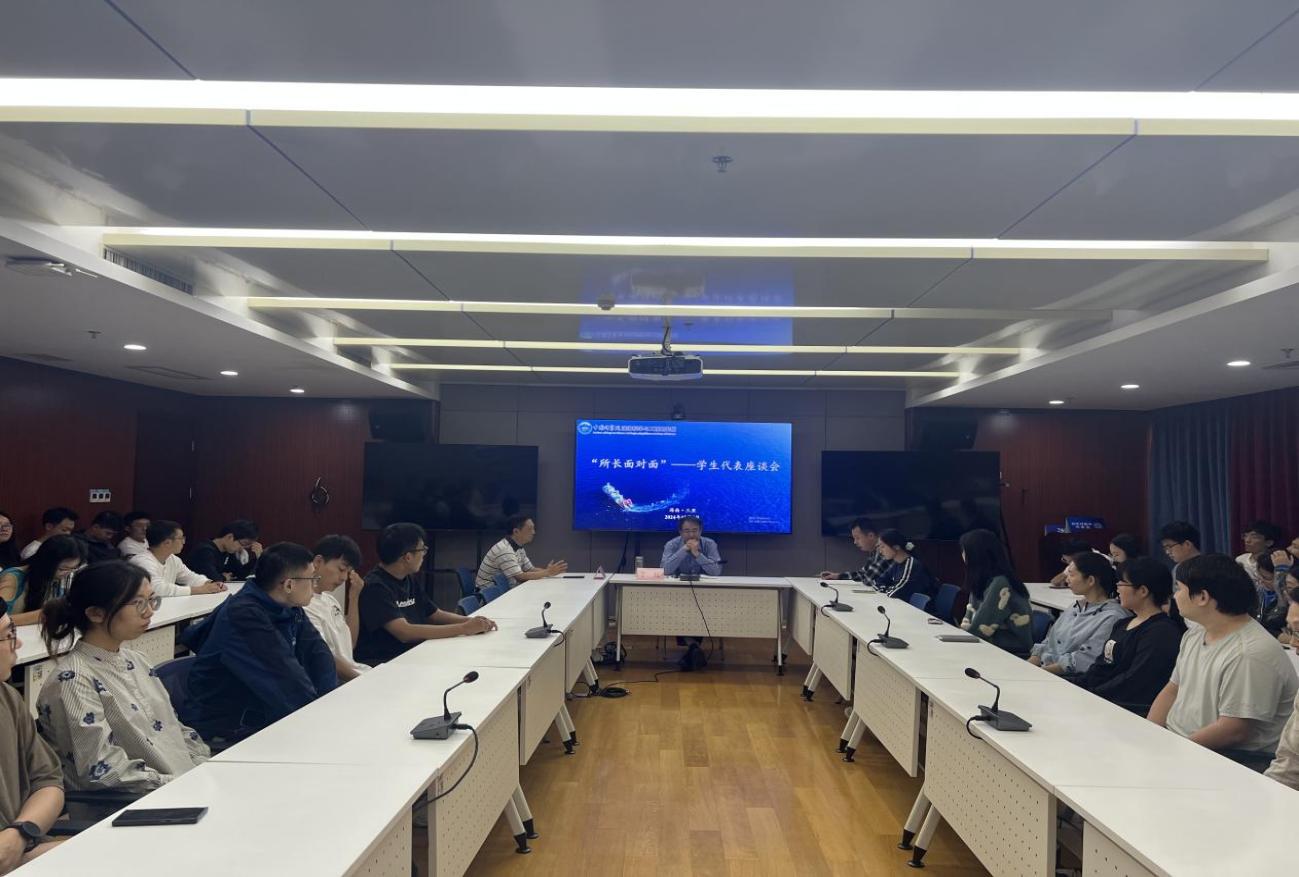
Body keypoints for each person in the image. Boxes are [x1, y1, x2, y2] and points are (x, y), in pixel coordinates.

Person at [35, 561, 209, 792]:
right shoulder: (73, 680)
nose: (149, 611)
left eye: (152, 600)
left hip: (182, 783)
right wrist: (179, 783)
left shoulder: (136, 660)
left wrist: (204, 766)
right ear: (96, 613)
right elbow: (102, 771)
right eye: (138, 603)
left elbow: (174, 728)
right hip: (140, 800)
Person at [1147, 554, 1297, 768]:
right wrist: (1151, 737)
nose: (1175, 595)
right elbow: (1172, 689)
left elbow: (1234, 729)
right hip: (1183, 744)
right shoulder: (1195, 634)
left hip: (1229, 758)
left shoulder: (1250, 653)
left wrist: (1173, 754)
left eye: (1179, 588)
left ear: (1202, 597)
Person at [180, 543, 337, 743]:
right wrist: (320, 721)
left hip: (261, 716)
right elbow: (285, 679)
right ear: (289, 585)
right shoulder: (244, 616)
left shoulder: (288, 606)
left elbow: (319, 655)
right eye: (312, 578)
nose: (315, 584)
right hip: (225, 729)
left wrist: (329, 704)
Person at [356, 523, 496, 666]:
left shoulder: (407, 577)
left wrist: (472, 621)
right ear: (408, 557)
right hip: (385, 661)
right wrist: (464, 628)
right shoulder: (375, 587)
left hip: (414, 652)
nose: (424, 554)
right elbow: (404, 633)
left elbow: (434, 614)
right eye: (422, 549)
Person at [1071, 557, 1185, 715]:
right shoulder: (1122, 623)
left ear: (1143, 591)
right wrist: (1074, 685)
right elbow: (1101, 667)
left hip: (1127, 709)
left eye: (1122, 583)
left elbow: (1133, 680)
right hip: (1102, 700)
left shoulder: (1161, 633)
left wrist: (1091, 695)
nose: (1117, 588)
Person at [0, 603, 64, 870]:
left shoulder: (7, 698)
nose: (17, 643)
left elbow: (47, 781)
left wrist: (20, 834)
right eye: (8, 635)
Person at [1030, 552, 1130, 675]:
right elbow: (1048, 643)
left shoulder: (1112, 617)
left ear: (1090, 580)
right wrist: (1027, 667)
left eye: (1071, 575)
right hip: (1044, 672)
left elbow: (1082, 660)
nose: (1067, 579)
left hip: (1066, 678)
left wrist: (1037, 674)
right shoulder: (1075, 607)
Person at [302, 535, 370, 682]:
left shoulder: (330, 600)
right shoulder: (303, 606)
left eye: (348, 572)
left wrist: (354, 598)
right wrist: (363, 680)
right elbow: (324, 659)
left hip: (356, 671)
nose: (344, 578)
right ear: (318, 562)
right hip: (338, 681)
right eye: (341, 569)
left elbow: (350, 644)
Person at [958, 529, 1033, 656]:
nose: (963, 555)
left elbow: (982, 625)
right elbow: (969, 619)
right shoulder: (982, 580)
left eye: (964, 550)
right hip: (992, 642)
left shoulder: (1001, 582)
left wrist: (960, 639)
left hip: (1011, 646)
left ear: (975, 554)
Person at [0, 536, 86, 626]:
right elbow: (1, 619)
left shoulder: (58, 578)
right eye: (62, 569)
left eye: (73, 569)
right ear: (46, 562)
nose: (67, 573)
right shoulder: (13, 577)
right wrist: (45, 614)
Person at [128, 520, 225, 597]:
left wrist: (209, 583)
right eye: (181, 538)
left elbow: (190, 577)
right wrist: (199, 590)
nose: (183, 542)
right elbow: (156, 588)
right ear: (167, 543)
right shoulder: (143, 561)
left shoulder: (173, 559)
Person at [475, 515, 567, 588]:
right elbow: (520, 577)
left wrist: (549, 571)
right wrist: (547, 572)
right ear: (516, 531)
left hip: (502, 591)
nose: (533, 532)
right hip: (489, 597)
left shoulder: (518, 547)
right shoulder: (504, 550)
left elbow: (530, 569)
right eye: (530, 529)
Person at [819, 517, 890, 586]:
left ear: (870, 536)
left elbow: (868, 580)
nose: (855, 542)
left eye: (858, 538)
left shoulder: (884, 550)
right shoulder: (873, 551)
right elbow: (862, 573)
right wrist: (838, 576)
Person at [186, 519, 262, 583]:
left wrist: (257, 558)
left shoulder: (228, 552)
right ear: (230, 537)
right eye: (243, 544)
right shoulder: (204, 551)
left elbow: (240, 573)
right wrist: (224, 577)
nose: (242, 548)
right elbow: (211, 578)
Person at [876, 529, 936, 604]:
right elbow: (878, 581)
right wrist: (888, 588)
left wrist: (887, 588)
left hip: (920, 610)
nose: (880, 551)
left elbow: (895, 593)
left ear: (896, 547)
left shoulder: (911, 565)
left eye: (883, 546)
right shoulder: (897, 563)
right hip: (904, 605)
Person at [1238, 520, 1284, 587]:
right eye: (1245, 536)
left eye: (1254, 537)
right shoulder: (1240, 560)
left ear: (1269, 542)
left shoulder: (1275, 561)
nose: (1247, 540)